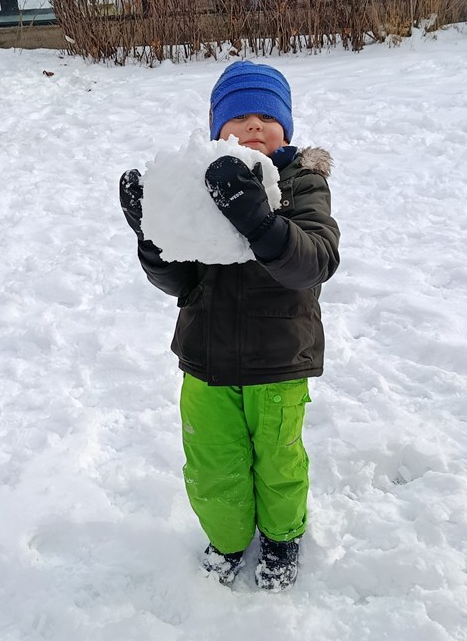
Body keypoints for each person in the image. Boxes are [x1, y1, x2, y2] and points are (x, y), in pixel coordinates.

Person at [118, 62, 340, 591]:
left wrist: (260, 222)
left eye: (268, 116)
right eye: (239, 117)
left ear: (287, 127)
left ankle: (282, 538)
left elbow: (315, 261)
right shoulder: (198, 185)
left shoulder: (301, 182)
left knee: (278, 462)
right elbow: (179, 281)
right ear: (218, 129)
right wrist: (152, 236)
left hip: (279, 359)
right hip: (206, 358)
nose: (254, 125)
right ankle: (227, 539)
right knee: (212, 462)